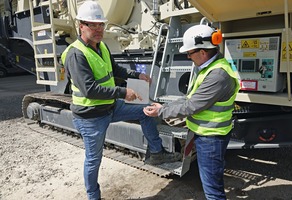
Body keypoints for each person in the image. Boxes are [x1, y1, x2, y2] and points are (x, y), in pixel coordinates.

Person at [61, 1, 181, 200]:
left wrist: (136, 75)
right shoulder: (76, 54)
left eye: (101, 25)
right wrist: (123, 92)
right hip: (90, 117)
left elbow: (115, 71)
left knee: (146, 109)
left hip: (109, 107)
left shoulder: (102, 46)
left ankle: (157, 153)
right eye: (93, 25)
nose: (99, 29)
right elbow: (89, 89)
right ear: (81, 25)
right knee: (93, 159)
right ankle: (93, 196)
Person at [143, 22, 240, 199]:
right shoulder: (209, 68)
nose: (188, 57)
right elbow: (190, 98)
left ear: (202, 52)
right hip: (208, 134)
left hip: (211, 138)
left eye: (189, 53)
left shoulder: (217, 75)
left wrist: (161, 112)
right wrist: (164, 107)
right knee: (211, 181)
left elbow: (192, 106)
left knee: (213, 190)